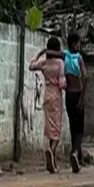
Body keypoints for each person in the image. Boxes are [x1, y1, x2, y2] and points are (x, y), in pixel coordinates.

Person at [29, 35, 67, 173]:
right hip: (56, 95)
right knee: (56, 128)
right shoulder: (60, 63)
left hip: (47, 95)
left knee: (49, 126)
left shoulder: (44, 62)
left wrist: (39, 54)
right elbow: (62, 83)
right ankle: (51, 150)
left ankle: (52, 161)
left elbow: (31, 66)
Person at [62, 32, 86, 173]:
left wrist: (44, 51)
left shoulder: (64, 55)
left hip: (68, 95)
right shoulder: (79, 58)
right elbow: (86, 76)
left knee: (72, 126)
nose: (80, 45)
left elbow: (53, 53)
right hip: (77, 93)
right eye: (78, 43)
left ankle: (77, 156)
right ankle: (75, 153)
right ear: (73, 43)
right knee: (80, 130)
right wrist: (82, 98)